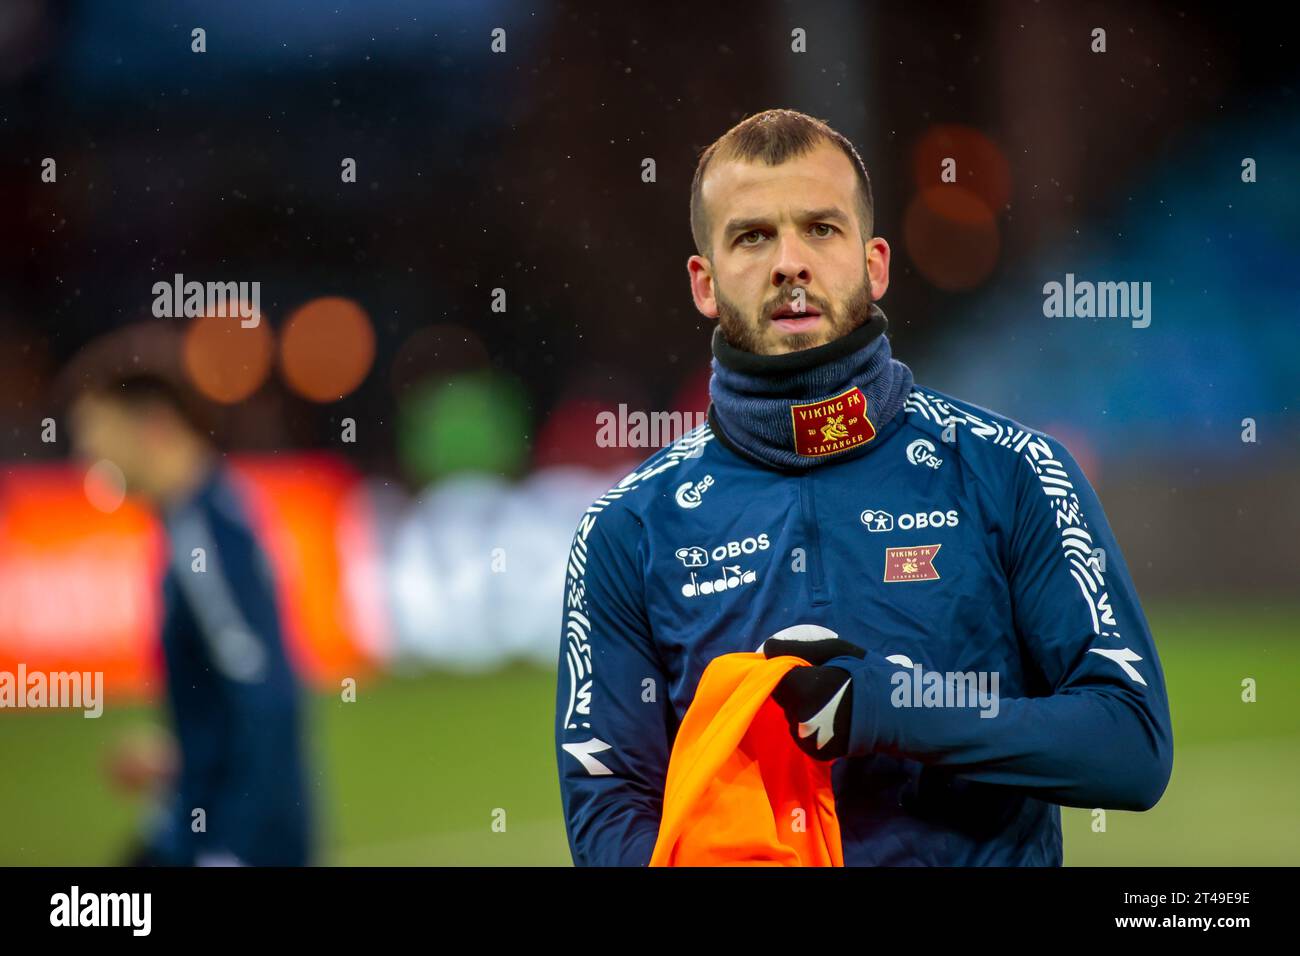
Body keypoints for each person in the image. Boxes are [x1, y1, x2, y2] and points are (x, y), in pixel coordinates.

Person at [554, 108, 1173, 866]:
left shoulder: (1013, 472)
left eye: (821, 228)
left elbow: (1131, 744)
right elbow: (607, 811)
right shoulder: (628, 529)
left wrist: (893, 709)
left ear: (874, 262)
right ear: (704, 282)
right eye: (752, 236)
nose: (789, 263)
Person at [69, 372, 313, 866]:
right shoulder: (196, 519)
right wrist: (182, 753)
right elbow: (232, 693)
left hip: (227, 842)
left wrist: (234, 850)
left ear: (154, 426)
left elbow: (269, 697)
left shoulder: (205, 533)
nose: (86, 449)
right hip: (193, 828)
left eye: (96, 428)